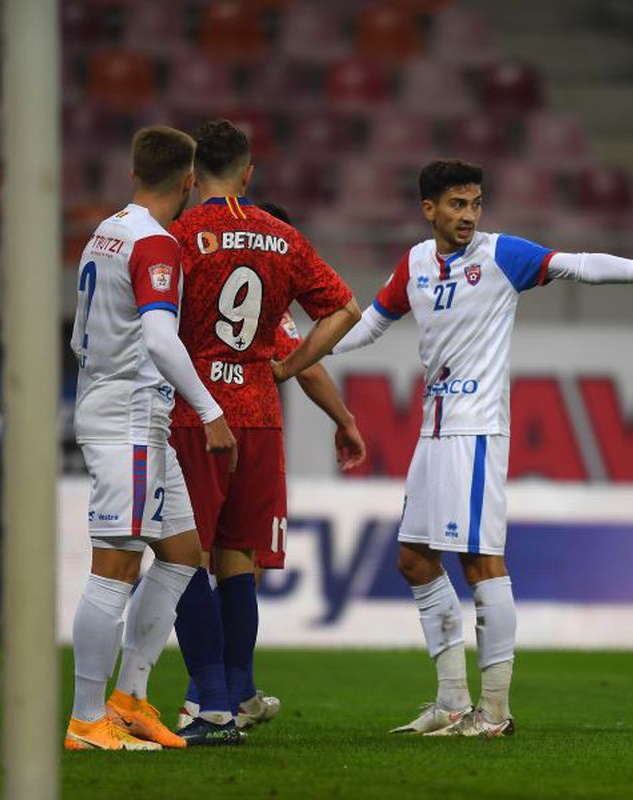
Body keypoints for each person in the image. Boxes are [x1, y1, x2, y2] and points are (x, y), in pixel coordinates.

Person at [329, 158, 633, 737]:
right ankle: (451, 702)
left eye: (475, 204)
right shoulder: (414, 262)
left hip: (476, 427)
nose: (468, 215)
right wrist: (302, 357)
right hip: (433, 429)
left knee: (480, 562)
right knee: (414, 560)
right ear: (429, 210)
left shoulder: (500, 256)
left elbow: (580, 265)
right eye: (457, 205)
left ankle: (494, 712)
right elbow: (370, 323)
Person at [167, 120, 360, 744]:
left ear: (193, 176)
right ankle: (233, 697)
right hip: (260, 415)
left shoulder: (181, 234)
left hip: (198, 412)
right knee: (237, 561)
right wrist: (286, 366)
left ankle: (212, 705)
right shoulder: (284, 236)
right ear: (250, 174)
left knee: (184, 558)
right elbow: (345, 311)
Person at [65, 126, 238, 751]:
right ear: (190, 180)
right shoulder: (156, 243)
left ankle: (130, 698)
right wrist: (212, 411)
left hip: (131, 410)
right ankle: (86, 718)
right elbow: (161, 338)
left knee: (182, 552)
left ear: (135, 171)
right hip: (130, 416)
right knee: (115, 567)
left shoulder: (105, 230)